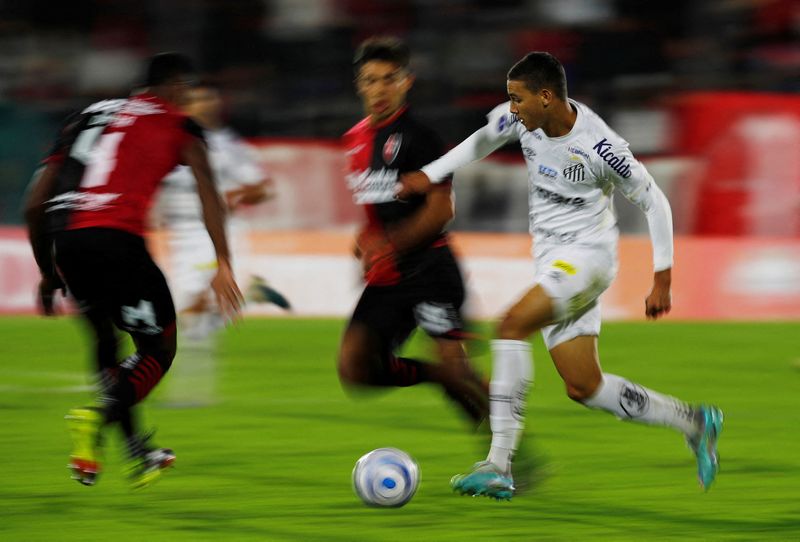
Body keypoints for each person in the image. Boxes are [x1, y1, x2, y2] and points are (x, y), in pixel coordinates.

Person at [397, 52, 723, 499]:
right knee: (584, 386)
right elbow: (480, 141)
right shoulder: (523, 122)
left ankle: (498, 464)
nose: (511, 108)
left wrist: (662, 278)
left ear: (546, 97)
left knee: (511, 327)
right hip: (553, 261)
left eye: (517, 99)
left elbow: (654, 202)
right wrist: (430, 174)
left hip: (587, 260)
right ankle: (693, 420)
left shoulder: (601, 146)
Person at [24, 52, 243, 488]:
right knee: (158, 348)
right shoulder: (179, 124)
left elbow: (34, 204)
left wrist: (48, 272)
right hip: (118, 241)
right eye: (188, 90)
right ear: (177, 87)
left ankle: (135, 452)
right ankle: (99, 416)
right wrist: (223, 261)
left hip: (68, 241)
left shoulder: (83, 117)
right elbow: (208, 191)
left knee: (107, 338)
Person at [338, 36, 488, 427]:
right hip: (390, 275)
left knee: (460, 372)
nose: (380, 89)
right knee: (355, 367)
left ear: (407, 82)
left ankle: (507, 456)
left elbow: (441, 209)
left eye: (389, 79)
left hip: (429, 269)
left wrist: (391, 244)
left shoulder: (422, 139)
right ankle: (438, 377)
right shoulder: (354, 140)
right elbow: (378, 208)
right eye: (371, 80)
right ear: (359, 84)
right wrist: (367, 239)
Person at [153, 81, 288, 406]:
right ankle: (252, 293)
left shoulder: (229, 146)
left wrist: (234, 196)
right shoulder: (171, 139)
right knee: (192, 310)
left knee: (195, 310)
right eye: (194, 99)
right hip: (181, 235)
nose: (200, 105)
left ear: (215, 104)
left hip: (213, 233)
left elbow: (264, 188)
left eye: (206, 99)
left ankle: (189, 394)